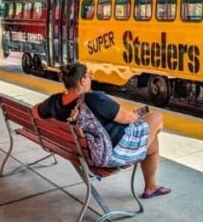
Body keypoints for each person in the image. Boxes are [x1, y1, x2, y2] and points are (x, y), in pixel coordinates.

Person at [32, 62, 170, 200]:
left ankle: (151, 185)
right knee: (156, 117)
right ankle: (150, 185)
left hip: (82, 152)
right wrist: (136, 115)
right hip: (111, 153)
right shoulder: (95, 98)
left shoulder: (54, 101)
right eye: (89, 76)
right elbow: (127, 118)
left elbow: (34, 112)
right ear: (82, 80)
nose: (90, 79)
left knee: (150, 139)